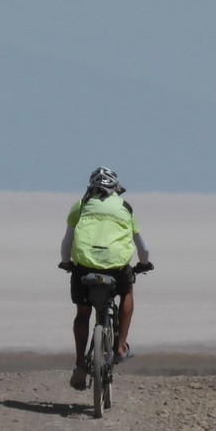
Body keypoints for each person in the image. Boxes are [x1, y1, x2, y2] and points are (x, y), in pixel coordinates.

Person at [58, 167, 153, 390]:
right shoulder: (125, 207)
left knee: (83, 313)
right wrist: (144, 263)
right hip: (116, 267)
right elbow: (143, 247)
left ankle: (80, 363)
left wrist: (65, 262)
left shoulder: (80, 206)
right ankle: (120, 347)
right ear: (115, 188)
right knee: (127, 292)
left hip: (84, 266)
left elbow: (67, 242)